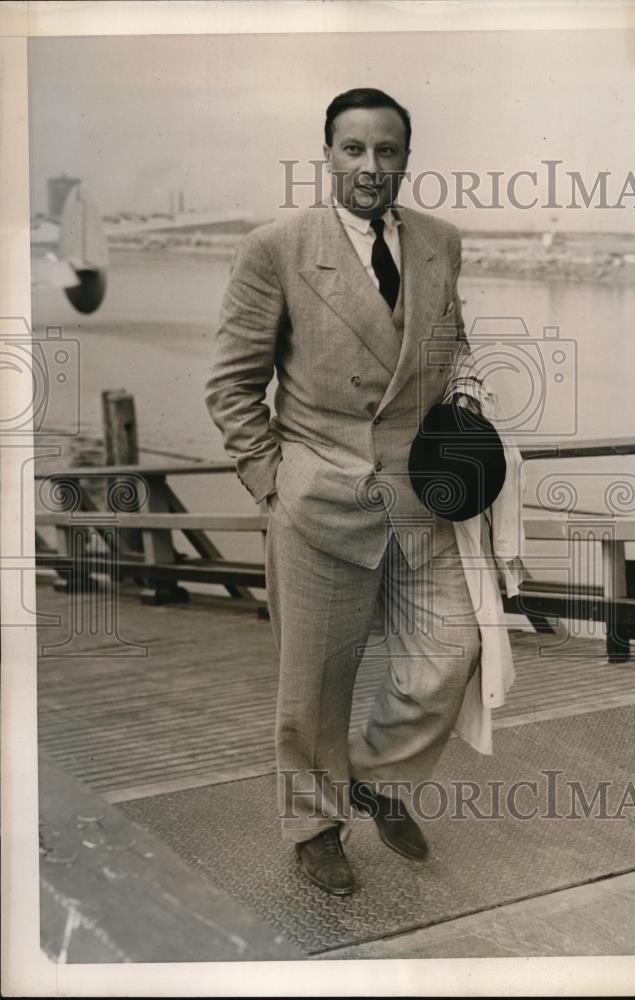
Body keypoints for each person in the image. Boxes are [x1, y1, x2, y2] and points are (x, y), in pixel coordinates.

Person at [205, 87, 485, 896]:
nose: (371, 167)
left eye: (387, 151)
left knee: (451, 652)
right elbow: (231, 387)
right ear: (327, 155)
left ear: (406, 158)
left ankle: (377, 777)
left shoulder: (440, 242)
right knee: (314, 686)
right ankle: (315, 829)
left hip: (419, 496)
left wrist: (462, 399)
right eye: (354, 150)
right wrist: (274, 483)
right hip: (321, 498)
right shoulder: (277, 248)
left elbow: (451, 345)